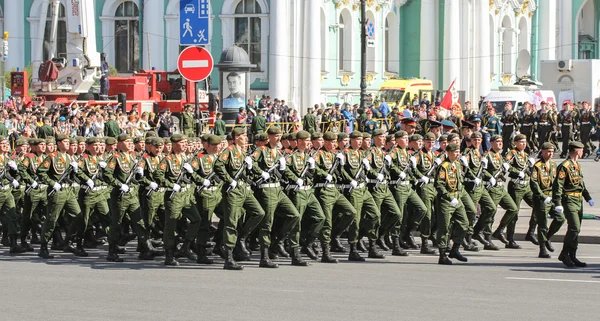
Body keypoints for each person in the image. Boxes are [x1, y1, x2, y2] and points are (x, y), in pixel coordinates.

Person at [553, 141, 594, 268]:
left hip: (578, 201)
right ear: (577, 151)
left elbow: (581, 184)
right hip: (569, 200)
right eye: (582, 150)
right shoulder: (564, 166)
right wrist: (557, 202)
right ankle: (564, 254)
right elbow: (557, 186)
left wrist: (588, 198)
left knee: (576, 229)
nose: (583, 152)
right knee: (574, 228)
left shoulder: (577, 165)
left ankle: (572, 255)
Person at [434, 142, 469, 265]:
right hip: (446, 201)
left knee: (464, 223)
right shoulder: (444, 166)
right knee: (444, 228)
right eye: (455, 152)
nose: (457, 154)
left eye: (458, 151)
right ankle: (442, 255)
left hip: (457, 199)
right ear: (449, 152)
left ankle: (455, 249)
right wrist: (449, 198)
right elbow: (439, 185)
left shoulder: (458, 165)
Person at [530, 142, 564, 259]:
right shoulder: (537, 166)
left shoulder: (554, 165)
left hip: (552, 197)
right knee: (542, 224)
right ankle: (542, 249)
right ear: (543, 152)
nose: (550, 154)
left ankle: (548, 237)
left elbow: (558, 182)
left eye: (552, 152)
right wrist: (543, 197)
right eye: (548, 151)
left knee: (560, 218)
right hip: (541, 198)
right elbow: (534, 184)